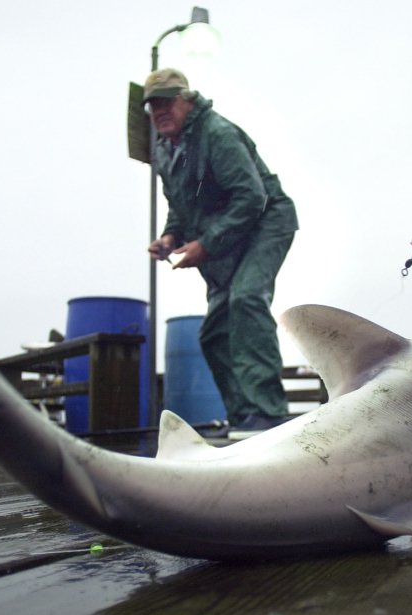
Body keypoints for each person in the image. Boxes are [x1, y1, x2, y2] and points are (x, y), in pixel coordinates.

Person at [144, 68, 298, 440]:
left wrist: (206, 244)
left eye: (167, 101)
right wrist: (170, 236)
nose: (160, 110)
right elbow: (179, 205)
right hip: (227, 238)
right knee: (213, 333)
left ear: (187, 99)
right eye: (153, 105)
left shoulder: (217, 133)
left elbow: (252, 197)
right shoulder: (164, 151)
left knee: (246, 299)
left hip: (267, 222)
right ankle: (245, 417)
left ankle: (269, 413)